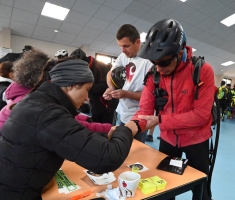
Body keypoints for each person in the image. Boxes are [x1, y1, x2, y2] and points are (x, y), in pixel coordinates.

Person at [0, 59, 139, 199]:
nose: (86, 98)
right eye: (87, 90)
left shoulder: (35, 101)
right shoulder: (48, 114)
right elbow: (107, 159)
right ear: (71, 86)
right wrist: (127, 129)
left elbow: (74, 136)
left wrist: (104, 136)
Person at [131, 19, 214, 200]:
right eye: (155, 63)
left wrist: (160, 121)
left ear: (180, 52)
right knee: (164, 186)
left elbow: (201, 115)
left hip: (197, 140)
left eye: (165, 62)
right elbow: (144, 111)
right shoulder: (154, 75)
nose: (160, 69)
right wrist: (127, 129)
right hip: (168, 139)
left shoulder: (202, 70)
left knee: (202, 190)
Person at [103, 24, 153, 143]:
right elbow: (110, 74)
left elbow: (151, 96)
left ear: (137, 42)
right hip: (122, 112)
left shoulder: (150, 61)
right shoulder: (123, 56)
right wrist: (111, 88)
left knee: (134, 152)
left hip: (139, 118)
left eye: (126, 46)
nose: (122, 50)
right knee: (119, 146)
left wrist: (126, 94)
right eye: (120, 46)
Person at [70, 48, 118, 124]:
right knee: (95, 124)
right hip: (95, 103)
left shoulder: (100, 66)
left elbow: (105, 85)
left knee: (107, 128)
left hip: (108, 103)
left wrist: (86, 88)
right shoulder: (82, 70)